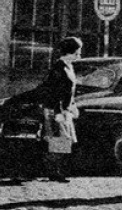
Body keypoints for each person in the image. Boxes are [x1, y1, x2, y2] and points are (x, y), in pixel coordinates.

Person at [38, 36, 82, 183]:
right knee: (58, 139)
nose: (79, 54)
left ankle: (57, 171)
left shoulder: (69, 67)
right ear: (70, 51)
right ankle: (54, 172)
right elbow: (53, 92)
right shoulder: (58, 68)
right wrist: (58, 112)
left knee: (63, 139)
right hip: (56, 109)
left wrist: (72, 106)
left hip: (65, 109)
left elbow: (70, 91)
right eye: (77, 51)